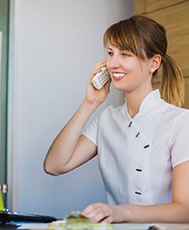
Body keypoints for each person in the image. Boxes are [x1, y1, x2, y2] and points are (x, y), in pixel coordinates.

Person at [43, 15, 189, 223]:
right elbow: (54, 165)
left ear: (153, 63)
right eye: (111, 53)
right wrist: (90, 103)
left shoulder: (181, 122)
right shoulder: (106, 119)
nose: (113, 63)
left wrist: (121, 212)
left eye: (125, 54)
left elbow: (185, 210)